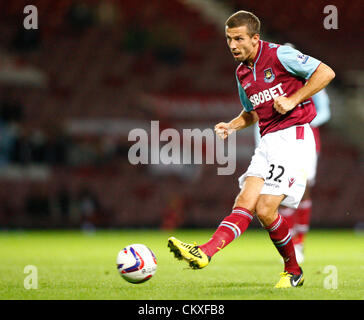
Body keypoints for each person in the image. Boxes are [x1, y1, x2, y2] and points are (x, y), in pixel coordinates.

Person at [167, 10, 335, 288]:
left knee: (267, 209)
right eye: (229, 39)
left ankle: (293, 270)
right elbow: (251, 112)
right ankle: (206, 251)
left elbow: (326, 73)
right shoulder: (242, 72)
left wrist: (294, 99)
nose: (233, 45)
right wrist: (231, 126)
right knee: (245, 202)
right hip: (268, 141)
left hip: (293, 137)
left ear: (255, 38)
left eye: (239, 38)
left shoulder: (281, 55)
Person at [253, 46, 331, 263]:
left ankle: (300, 242)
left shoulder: (312, 83)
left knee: (304, 190)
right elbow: (259, 118)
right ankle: (291, 242)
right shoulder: (271, 87)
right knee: (282, 194)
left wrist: (299, 118)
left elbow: (325, 112)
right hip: (277, 143)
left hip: (306, 139)